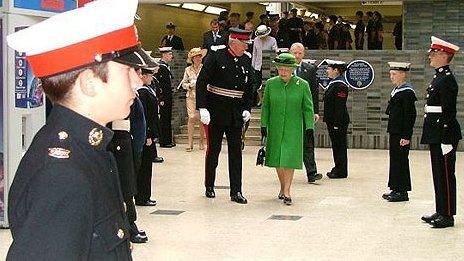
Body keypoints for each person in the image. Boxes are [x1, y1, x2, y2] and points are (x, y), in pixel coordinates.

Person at [5, 0, 142, 259]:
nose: (137, 81)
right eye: (128, 71)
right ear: (90, 83)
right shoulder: (64, 174)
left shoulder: (90, 152)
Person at [196, 28, 254, 204]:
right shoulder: (216, 56)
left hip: (235, 112)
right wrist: (202, 107)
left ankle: (236, 190)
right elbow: (202, 82)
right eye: (244, 44)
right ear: (234, 42)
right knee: (214, 150)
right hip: (216, 110)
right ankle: (209, 185)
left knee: (236, 152)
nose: (246, 47)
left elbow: (249, 85)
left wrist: (246, 108)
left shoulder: (245, 60)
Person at [260, 52, 314, 205]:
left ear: (292, 69)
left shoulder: (302, 85)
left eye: (286, 69)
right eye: (280, 69)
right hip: (275, 127)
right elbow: (266, 107)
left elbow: (308, 108)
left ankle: (287, 191)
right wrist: (263, 125)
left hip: (294, 128)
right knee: (277, 159)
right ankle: (283, 186)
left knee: (289, 159)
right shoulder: (271, 84)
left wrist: (309, 127)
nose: (283, 72)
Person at [420, 36, 461, 228]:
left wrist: (445, 137)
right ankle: (441, 209)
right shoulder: (439, 76)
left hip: (444, 132)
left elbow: (449, 111)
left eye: (434, 53)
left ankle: (448, 215)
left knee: (445, 173)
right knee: (438, 173)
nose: (431, 57)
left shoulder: (447, 80)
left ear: (444, 55)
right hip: (435, 130)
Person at [382, 62, 417, 202]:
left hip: (401, 132)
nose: (391, 77)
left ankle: (402, 191)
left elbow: (410, 116)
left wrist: (406, 135)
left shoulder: (407, 92)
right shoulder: (397, 90)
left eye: (394, 74)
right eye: (390, 74)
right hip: (395, 131)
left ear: (403, 74)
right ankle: (395, 188)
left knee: (401, 161)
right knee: (395, 160)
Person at [290, 43, 323, 183]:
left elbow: (314, 92)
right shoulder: (284, 68)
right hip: (290, 112)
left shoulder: (310, 69)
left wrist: (315, 111)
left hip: (305, 112)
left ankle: (311, 172)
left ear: (303, 54)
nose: (297, 56)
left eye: (300, 53)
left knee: (308, 141)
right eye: (295, 53)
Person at [135, 63, 160, 207]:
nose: (151, 78)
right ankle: (142, 196)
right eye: (149, 75)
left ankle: (145, 195)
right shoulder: (142, 92)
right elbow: (145, 116)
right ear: (143, 76)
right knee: (145, 167)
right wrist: (148, 135)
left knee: (147, 166)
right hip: (146, 134)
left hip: (149, 132)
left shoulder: (147, 90)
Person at [323, 60, 350, 179]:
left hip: (338, 121)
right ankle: (337, 167)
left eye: (329, 69)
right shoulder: (334, 83)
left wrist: (337, 124)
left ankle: (341, 170)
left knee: (340, 145)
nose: (327, 71)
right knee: (336, 145)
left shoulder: (341, 86)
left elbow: (339, 106)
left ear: (336, 71)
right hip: (332, 120)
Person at [182, 48, 207, 151]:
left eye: (200, 56)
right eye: (196, 57)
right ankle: (190, 143)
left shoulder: (204, 68)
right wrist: (189, 85)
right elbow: (183, 83)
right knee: (191, 117)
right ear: (192, 58)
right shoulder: (187, 70)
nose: (198, 58)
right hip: (191, 96)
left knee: (201, 119)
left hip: (202, 96)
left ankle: (201, 141)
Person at [155, 47, 176, 148]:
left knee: (167, 118)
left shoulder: (166, 67)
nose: (171, 56)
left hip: (168, 96)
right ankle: (164, 141)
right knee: (164, 119)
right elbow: (160, 85)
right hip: (164, 98)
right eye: (169, 54)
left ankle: (167, 139)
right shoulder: (161, 67)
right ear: (164, 55)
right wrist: (161, 98)